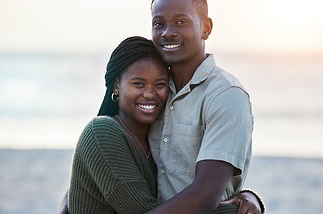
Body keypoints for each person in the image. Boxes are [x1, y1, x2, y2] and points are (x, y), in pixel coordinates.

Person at [66, 36, 244, 214]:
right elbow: (145, 210)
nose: (150, 94)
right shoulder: (102, 132)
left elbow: (173, 202)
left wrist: (247, 196)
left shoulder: (157, 138)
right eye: (139, 84)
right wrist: (237, 211)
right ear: (116, 86)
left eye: (160, 84)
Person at [146, 0, 265, 214]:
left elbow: (205, 196)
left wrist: (251, 197)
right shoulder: (150, 91)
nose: (168, 32)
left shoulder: (226, 95)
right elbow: (100, 145)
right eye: (159, 24)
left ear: (206, 28)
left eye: (181, 22)